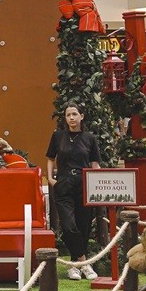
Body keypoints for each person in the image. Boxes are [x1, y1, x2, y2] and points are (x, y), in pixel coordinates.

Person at [46, 104, 104, 280]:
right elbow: (50, 158)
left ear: (82, 116)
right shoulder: (58, 136)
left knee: (83, 226)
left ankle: (74, 265)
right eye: (68, 115)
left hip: (84, 185)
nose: (71, 118)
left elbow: (95, 164)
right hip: (63, 184)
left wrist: (99, 183)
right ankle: (84, 263)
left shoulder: (89, 138)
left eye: (74, 114)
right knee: (68, 226)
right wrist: (50, 179)